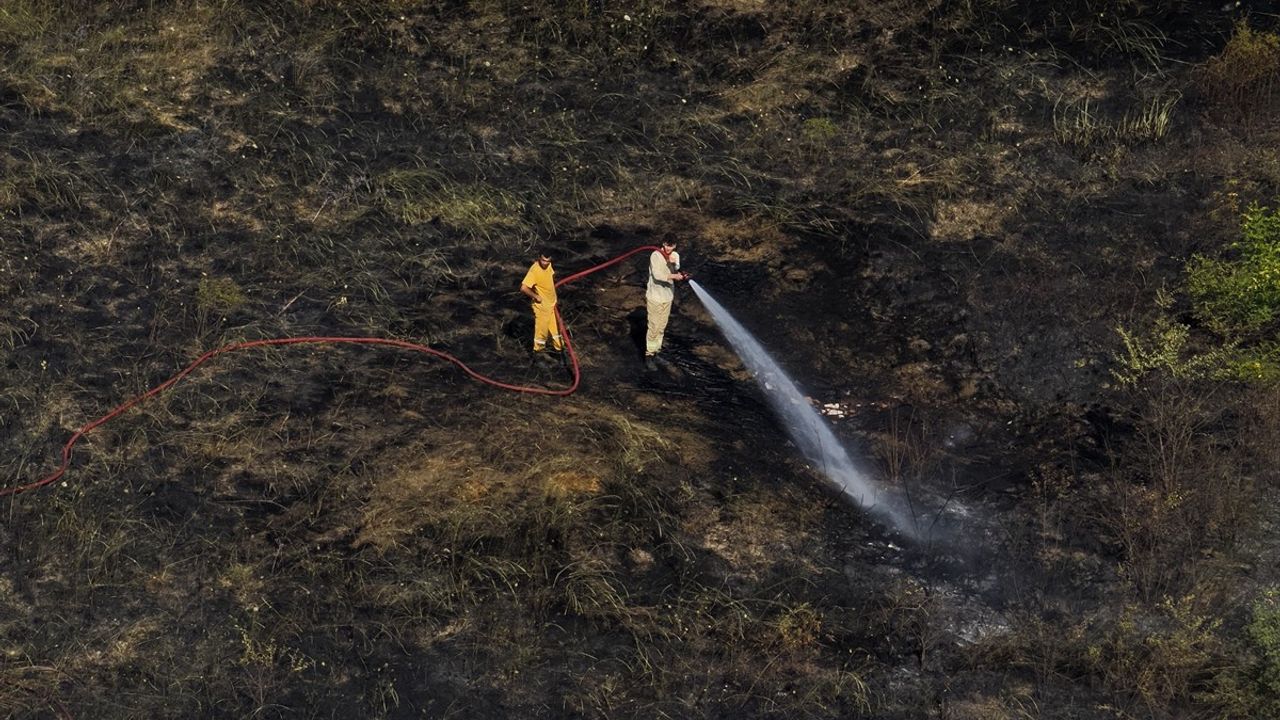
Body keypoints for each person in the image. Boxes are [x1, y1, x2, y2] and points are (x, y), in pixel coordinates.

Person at [644, 236, 688, 370]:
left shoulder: (675, 255)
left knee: (662, 326)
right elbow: (657, 275)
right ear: (663, 243)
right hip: (655, 297)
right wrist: (675, 276)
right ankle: (649, 356)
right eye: (667, 245)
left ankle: (657, 352)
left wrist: (676, 266)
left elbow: (676, 270)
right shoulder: (655, 255)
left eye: (672, 245)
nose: (669, 248)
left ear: (675, 245)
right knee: (654, 327)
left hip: (667, 297)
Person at [520, 248, 563, 359]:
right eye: (543, 260)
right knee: (541, 332)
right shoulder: (534, 270)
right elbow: (523, 288)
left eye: (547, 261)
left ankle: (560, 352)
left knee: (556, 330)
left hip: (552, 305)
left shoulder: (549, 265)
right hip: (542, 307)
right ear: (539, 257)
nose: (545, 263)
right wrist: (536, 296)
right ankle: (537, 355)